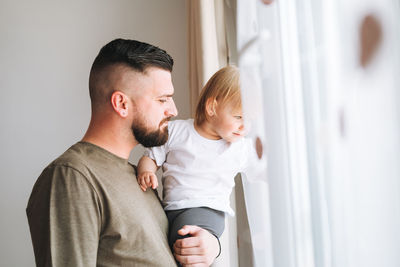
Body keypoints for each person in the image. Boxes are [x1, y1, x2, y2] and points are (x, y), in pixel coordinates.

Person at [26, 38, 220, 267]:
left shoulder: (137, 176)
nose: (173, 110)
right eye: (162, 99)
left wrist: (210, 245)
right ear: (121, 103)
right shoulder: (71, 177)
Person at [137, 66, 256, 255]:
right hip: (171, 211)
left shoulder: (240, 147)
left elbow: (266, 169)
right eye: (239, 117)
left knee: (188, 246)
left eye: (250, 120)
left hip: (207, 211)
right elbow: (150, 157)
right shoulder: (176, 131)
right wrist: (147, 171)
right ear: (212, 108)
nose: (244, 127)